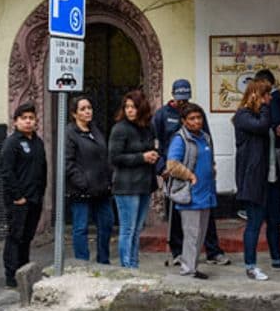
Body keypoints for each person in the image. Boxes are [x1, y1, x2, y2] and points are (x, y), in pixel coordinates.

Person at [153, 79, 230, 267]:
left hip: (199, 173)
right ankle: (178, 252)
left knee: (206, 215)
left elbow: (207, 139)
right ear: (173, 96)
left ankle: (213, 251)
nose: (182, 103)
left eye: (185, 98)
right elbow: (156, 142)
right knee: (179, 214)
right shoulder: (162, 115)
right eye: (179, 99)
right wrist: (161, 167)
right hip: (175, 171)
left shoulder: (197, 112)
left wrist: (211, 164)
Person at [234, 79, 280, 280]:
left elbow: (265, 131)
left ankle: (277, 259)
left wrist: (277, 131)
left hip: (271, 178)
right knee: (254, 223)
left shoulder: (259, 116)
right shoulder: (243, 116)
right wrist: (264, 108)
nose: (270, 99)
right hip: (254, 179)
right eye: (266, 95)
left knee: (275, 219)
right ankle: (250, 265)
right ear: (257, 96)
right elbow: (261, 126)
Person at [164, 103, 217, 279]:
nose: (196, 121)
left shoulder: (205, 137)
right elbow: (172, 165)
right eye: (192, 118)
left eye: (199, 117)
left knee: (201, 234)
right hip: (191, 194)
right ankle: (188, 269)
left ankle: (193, 266)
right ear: (184, 121)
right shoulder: (180, 139)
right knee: (191, 234)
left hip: (206, 192)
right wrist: (190, 176)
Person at [109, 89, 158, 269]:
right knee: (128, 229)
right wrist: (141, 157)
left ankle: (134, 264)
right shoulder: (120, 128)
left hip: (144, 183)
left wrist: (154, 155)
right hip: (126, 185)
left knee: (137, 230)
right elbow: (114, 157)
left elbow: (152, 146)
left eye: (134, 107)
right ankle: (126, 266)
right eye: (127, 107)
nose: (130, 110)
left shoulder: (147, 127)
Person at [1, 102, 48, 287]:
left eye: (31, 118)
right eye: (24, 118)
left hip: (35, 197)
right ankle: (11, 275)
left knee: (27, 237)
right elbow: (7, 172)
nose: (28, 122)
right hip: (18, 199)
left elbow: (42, 169)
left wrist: (41, 192)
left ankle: (23, 270)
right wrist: (17, 196)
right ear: (16, 121)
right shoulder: (12, 143)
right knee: (15, 236)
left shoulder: (37, 142)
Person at [63, 95, 112, 266]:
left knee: (106, 225)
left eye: (89, 108)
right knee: (81, 228)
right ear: (74, 114)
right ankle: (82, 264)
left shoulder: (95, 130)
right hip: (81, 191)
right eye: (83, 109)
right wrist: (83, 183)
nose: (87, 112)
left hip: (102, 189)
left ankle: (103, 262)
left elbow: (104, 155)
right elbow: (67, 163)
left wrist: (108, 178)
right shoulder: (69, 133)